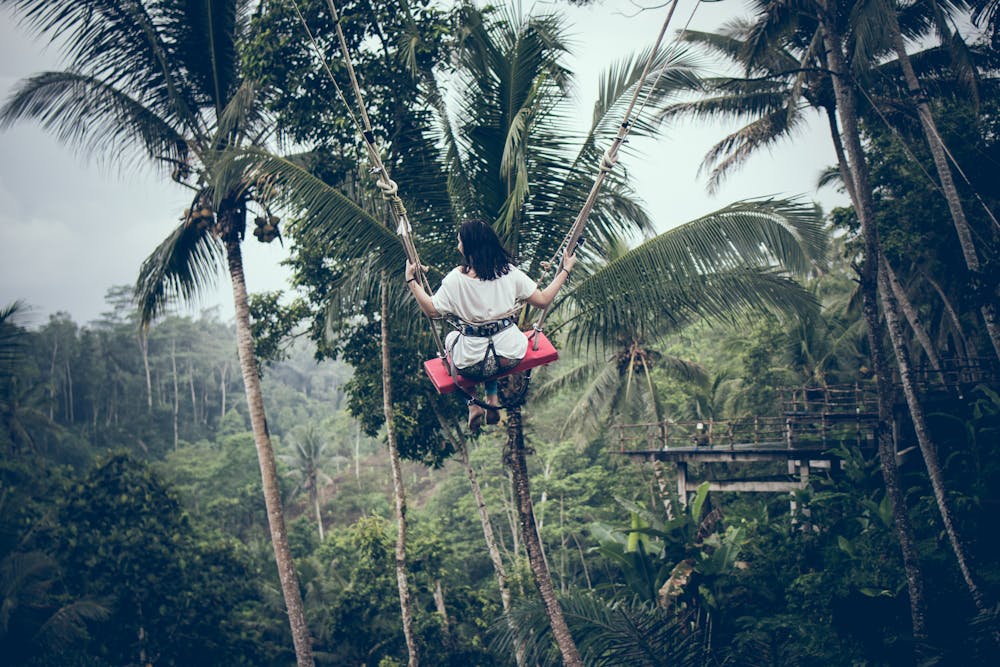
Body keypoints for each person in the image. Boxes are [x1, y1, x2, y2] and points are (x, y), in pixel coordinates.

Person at [406, 219, 577, 430]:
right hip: (510, 357)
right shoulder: (509, 272)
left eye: (460, 241)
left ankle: (473, 404)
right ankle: (492, 399)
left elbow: (432, 311)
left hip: (472, 364)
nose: (458, 245)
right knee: (493, 348)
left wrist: (411, 281)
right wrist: (565, 270)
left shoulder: (455, 279)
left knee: (453, 339)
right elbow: (543, 300)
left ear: (468, 246)